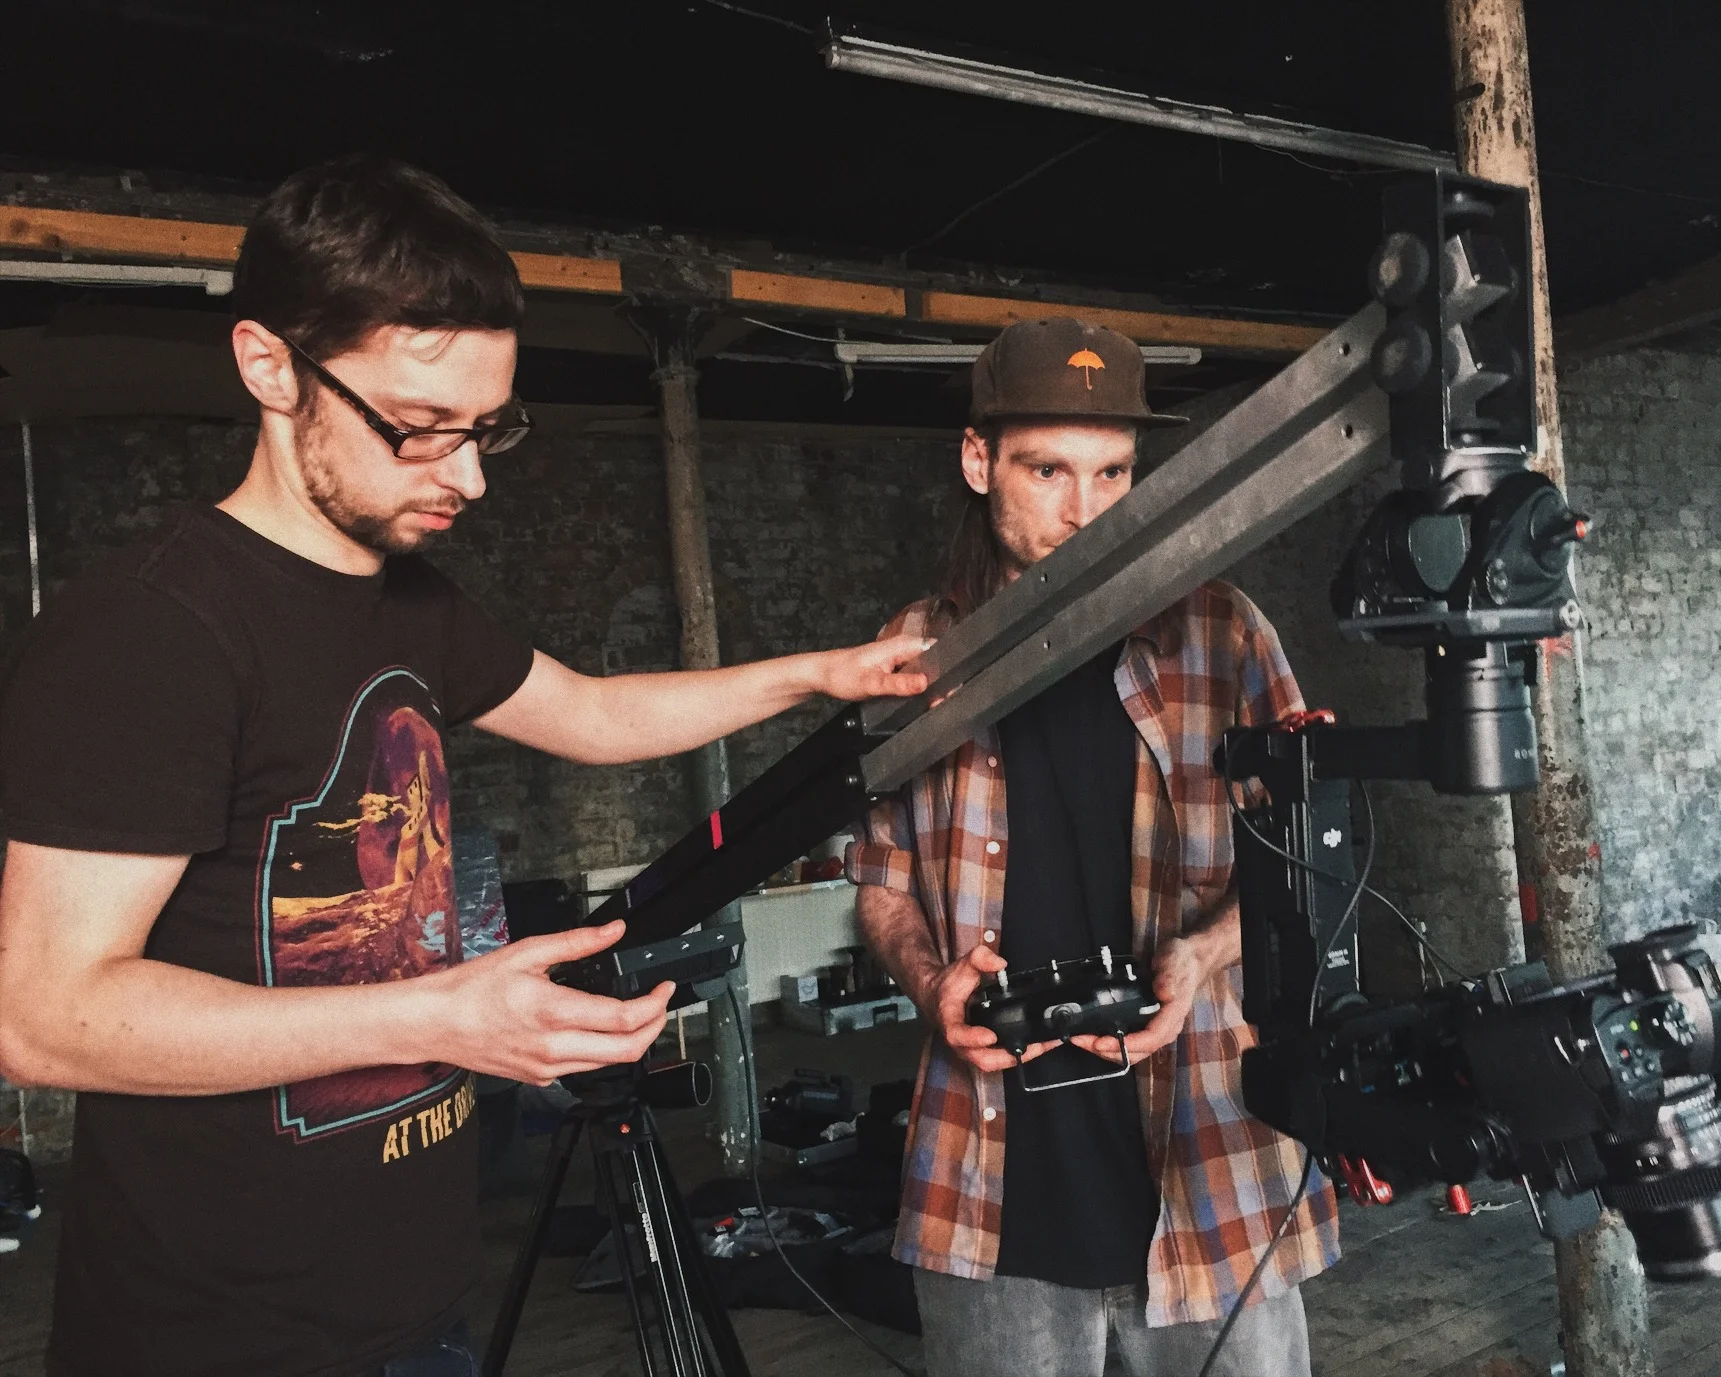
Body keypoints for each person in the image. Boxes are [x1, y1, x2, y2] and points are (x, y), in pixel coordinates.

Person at [0, 156, 929, 1377]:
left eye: (486, 429)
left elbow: (590, 713)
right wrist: (443, 1014)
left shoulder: (408, 599)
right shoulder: (154, 632)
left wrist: (822, 673)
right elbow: (43, 1018)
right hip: (222, 1338)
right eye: (418, 429)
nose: (469, 476)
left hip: (415, 1305)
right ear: (271, 367)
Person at [847, 318, 1338, 1377]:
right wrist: (930, 983)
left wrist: (1199, 955)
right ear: (978, 461)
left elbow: (1308, 860)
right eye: (1049, 471)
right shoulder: (918, 654)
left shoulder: (1222, 632)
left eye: (1113, 472)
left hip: (1210, 1168)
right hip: (991, 1185)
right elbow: (881, 875)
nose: (1085, 511)